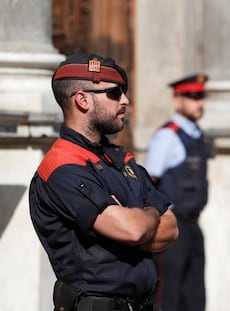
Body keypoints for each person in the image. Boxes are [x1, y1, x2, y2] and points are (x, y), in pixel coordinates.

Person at [29, 53, 179, 311]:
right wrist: (150, 212)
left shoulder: (121, 160)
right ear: (82, 100)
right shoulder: (62, 167)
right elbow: (132, 230)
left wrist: (137, 222)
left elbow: (172, 229)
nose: (126, 100)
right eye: (115, 93)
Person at [144, 73, 211, 311]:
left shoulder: (197, 135)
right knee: (167, 298)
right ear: (177, 99)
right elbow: (148, 181)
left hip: (192, 225)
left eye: (201, 96)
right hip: (171, 225)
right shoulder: (168, 135)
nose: (199, 103)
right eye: (192, 96)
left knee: (194, 298)